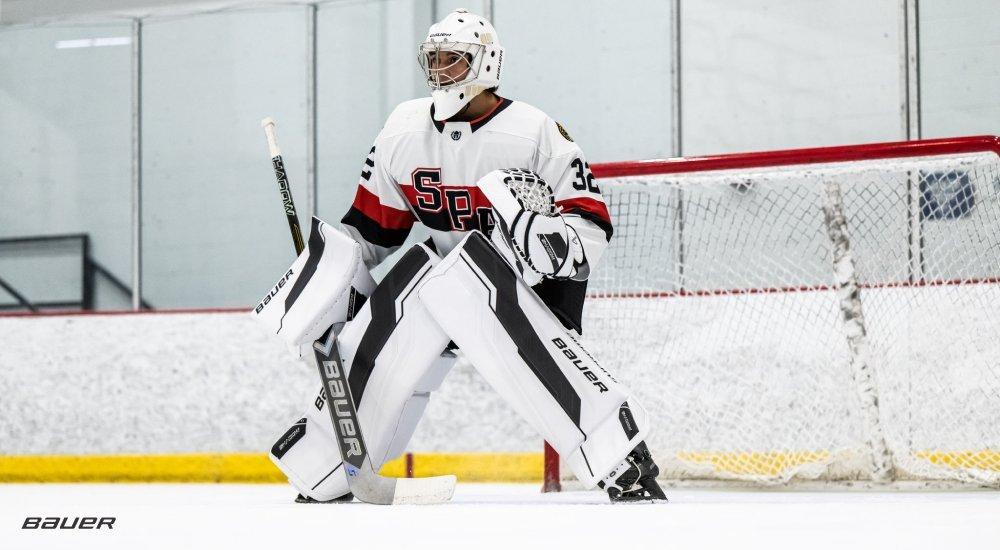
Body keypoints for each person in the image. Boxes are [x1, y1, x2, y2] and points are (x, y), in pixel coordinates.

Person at [258, 9, 665, 503]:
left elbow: (590, 222)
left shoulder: (534, 132)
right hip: (443, 284)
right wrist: (321, 279)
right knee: (410, 288)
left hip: (524, 289)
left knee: (470, 274)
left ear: (486, 63)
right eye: (434, 59)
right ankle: (325, 463)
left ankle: (618, 457)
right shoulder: (401, 131)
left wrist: (549, 243)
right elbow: (371, 230)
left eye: (453, 59)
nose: (440, 70)